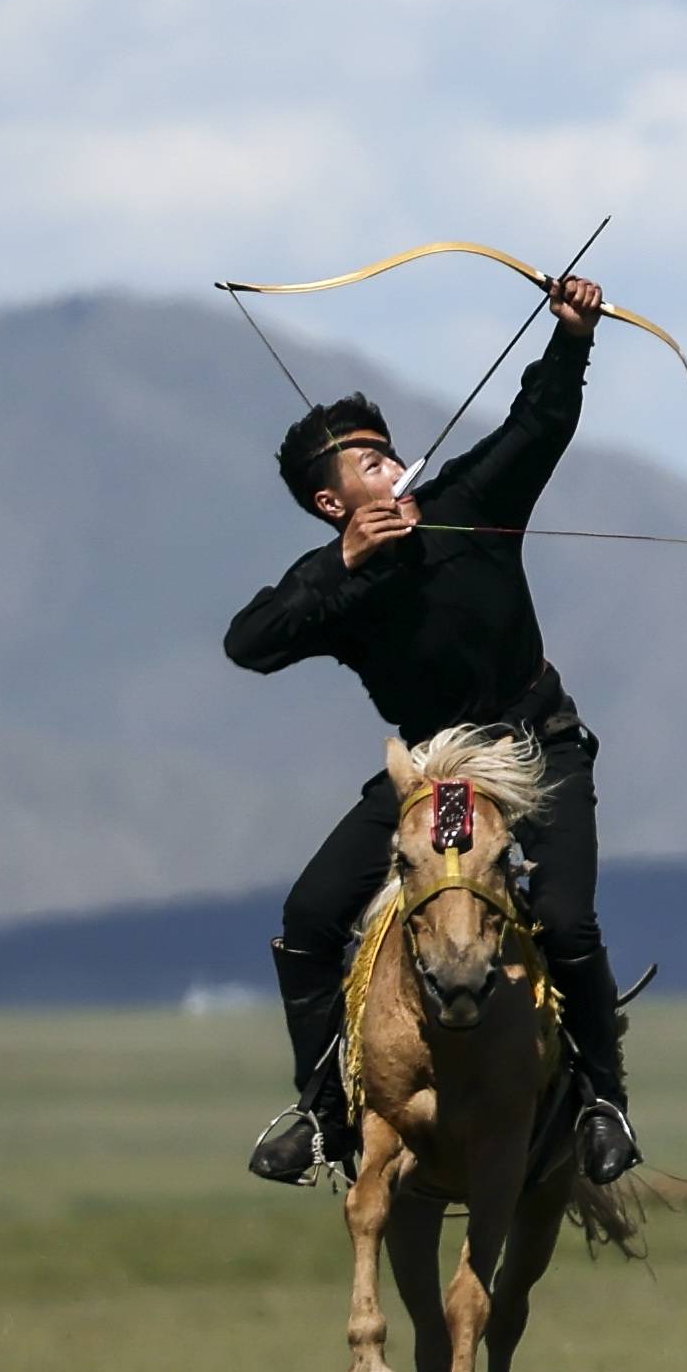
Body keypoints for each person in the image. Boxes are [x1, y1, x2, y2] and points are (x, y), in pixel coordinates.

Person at [224, 286, 642, 1189]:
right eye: (369, 467)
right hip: (433, 767)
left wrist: (571, 337)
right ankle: (321, 1116)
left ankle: (605, 1103)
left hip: (536, 746)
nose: (394, 468)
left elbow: (538, 422)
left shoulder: (469, 498)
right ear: (333, 505)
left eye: (388, 455)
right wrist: (342, 569)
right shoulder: (332, 580)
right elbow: (247, 643)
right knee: (306, 922)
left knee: (565, 921)